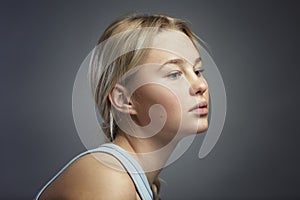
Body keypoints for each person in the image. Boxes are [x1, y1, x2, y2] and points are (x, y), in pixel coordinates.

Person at [35, 13, 209, 200]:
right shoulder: (108, 179)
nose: (201, 85)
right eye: (174, 74)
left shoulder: (134, 182)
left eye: (197, 71)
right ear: (124, 99)